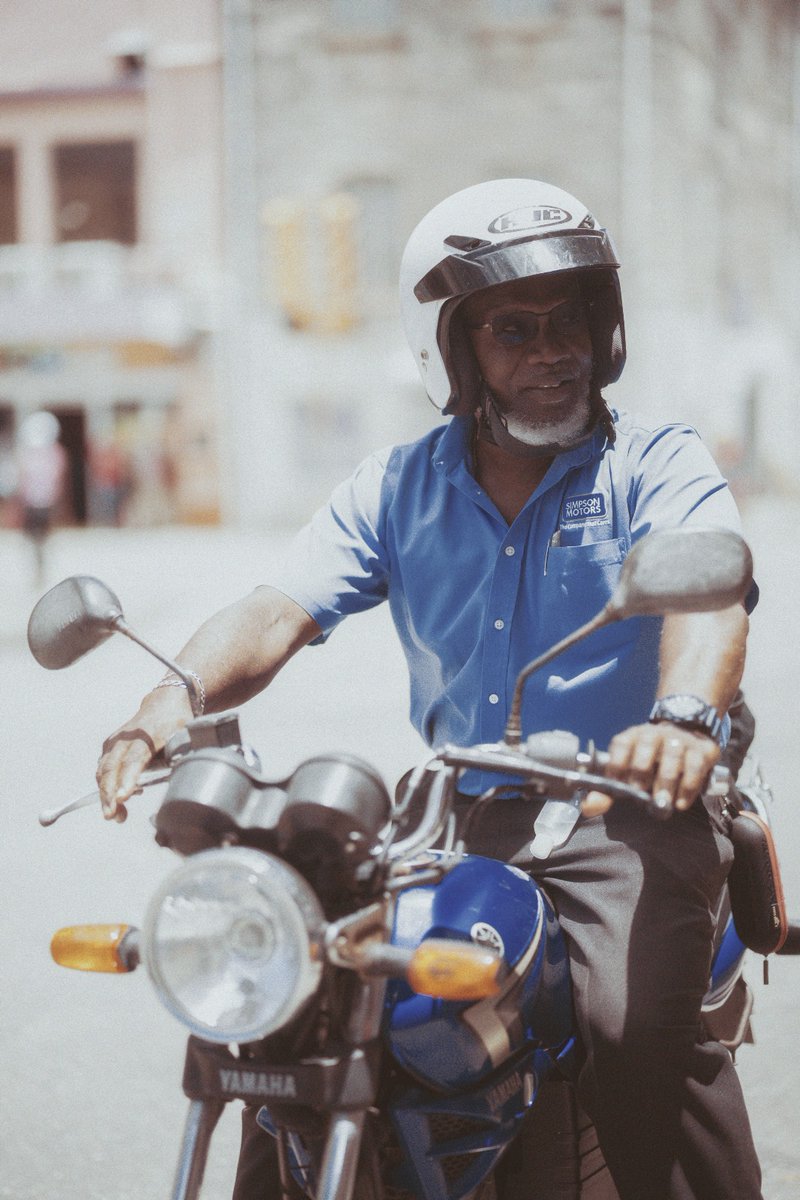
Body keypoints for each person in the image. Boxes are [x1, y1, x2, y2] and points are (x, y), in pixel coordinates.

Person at [96, 179, 762, 1200]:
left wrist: (680, 721)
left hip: (632, 810)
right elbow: (279, 606)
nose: (553, 350)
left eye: (571, 320)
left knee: (632, 1024)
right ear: (450, 353)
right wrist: (171, 697)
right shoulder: (395, 485)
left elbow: (707, 593)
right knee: (309, 1005)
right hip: (457, 816)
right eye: (513, 329)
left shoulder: (654, 464)